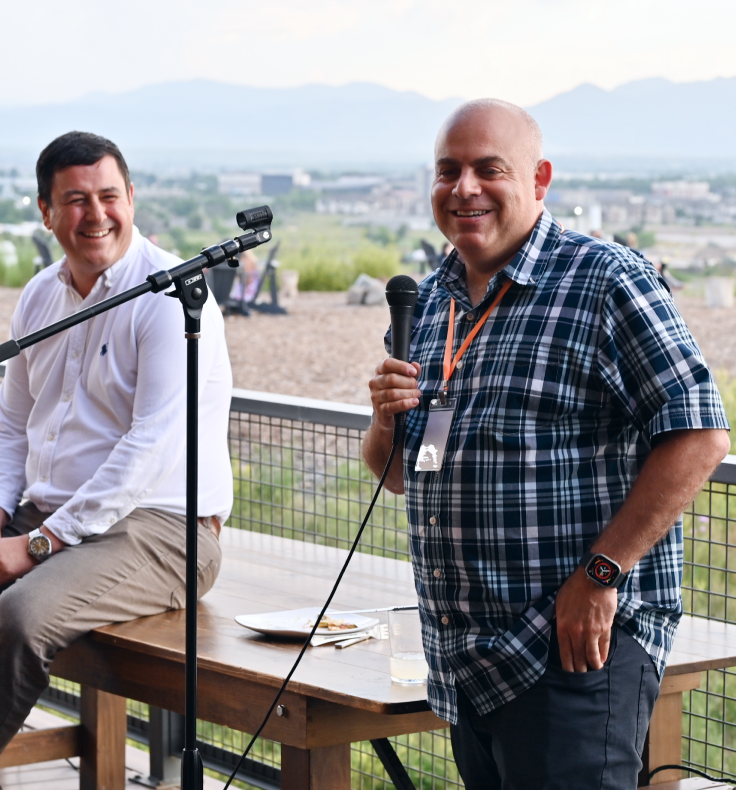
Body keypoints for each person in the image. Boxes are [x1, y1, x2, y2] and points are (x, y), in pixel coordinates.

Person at [364, 99, 730, 789]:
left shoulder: (604, 279)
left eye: (488, 169)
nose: (463, 187)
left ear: (540, 179)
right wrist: (386, 418)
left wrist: (600, 575)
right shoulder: (434, 298)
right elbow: (400, 475)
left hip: (573, 654)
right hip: (469, 662)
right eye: (447, 171)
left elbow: (701, 434)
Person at [0, 131, 233, 753]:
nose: (96, 214)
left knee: (17, 619)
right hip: (55, 514)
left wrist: (35, 544)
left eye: (109, 195)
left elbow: (149, 446)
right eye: (75, 200)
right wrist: (1, 511)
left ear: (131, 197)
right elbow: (10, 424)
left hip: (163, 529)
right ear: (45, 212)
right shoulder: (40, 295)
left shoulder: (170, 298)